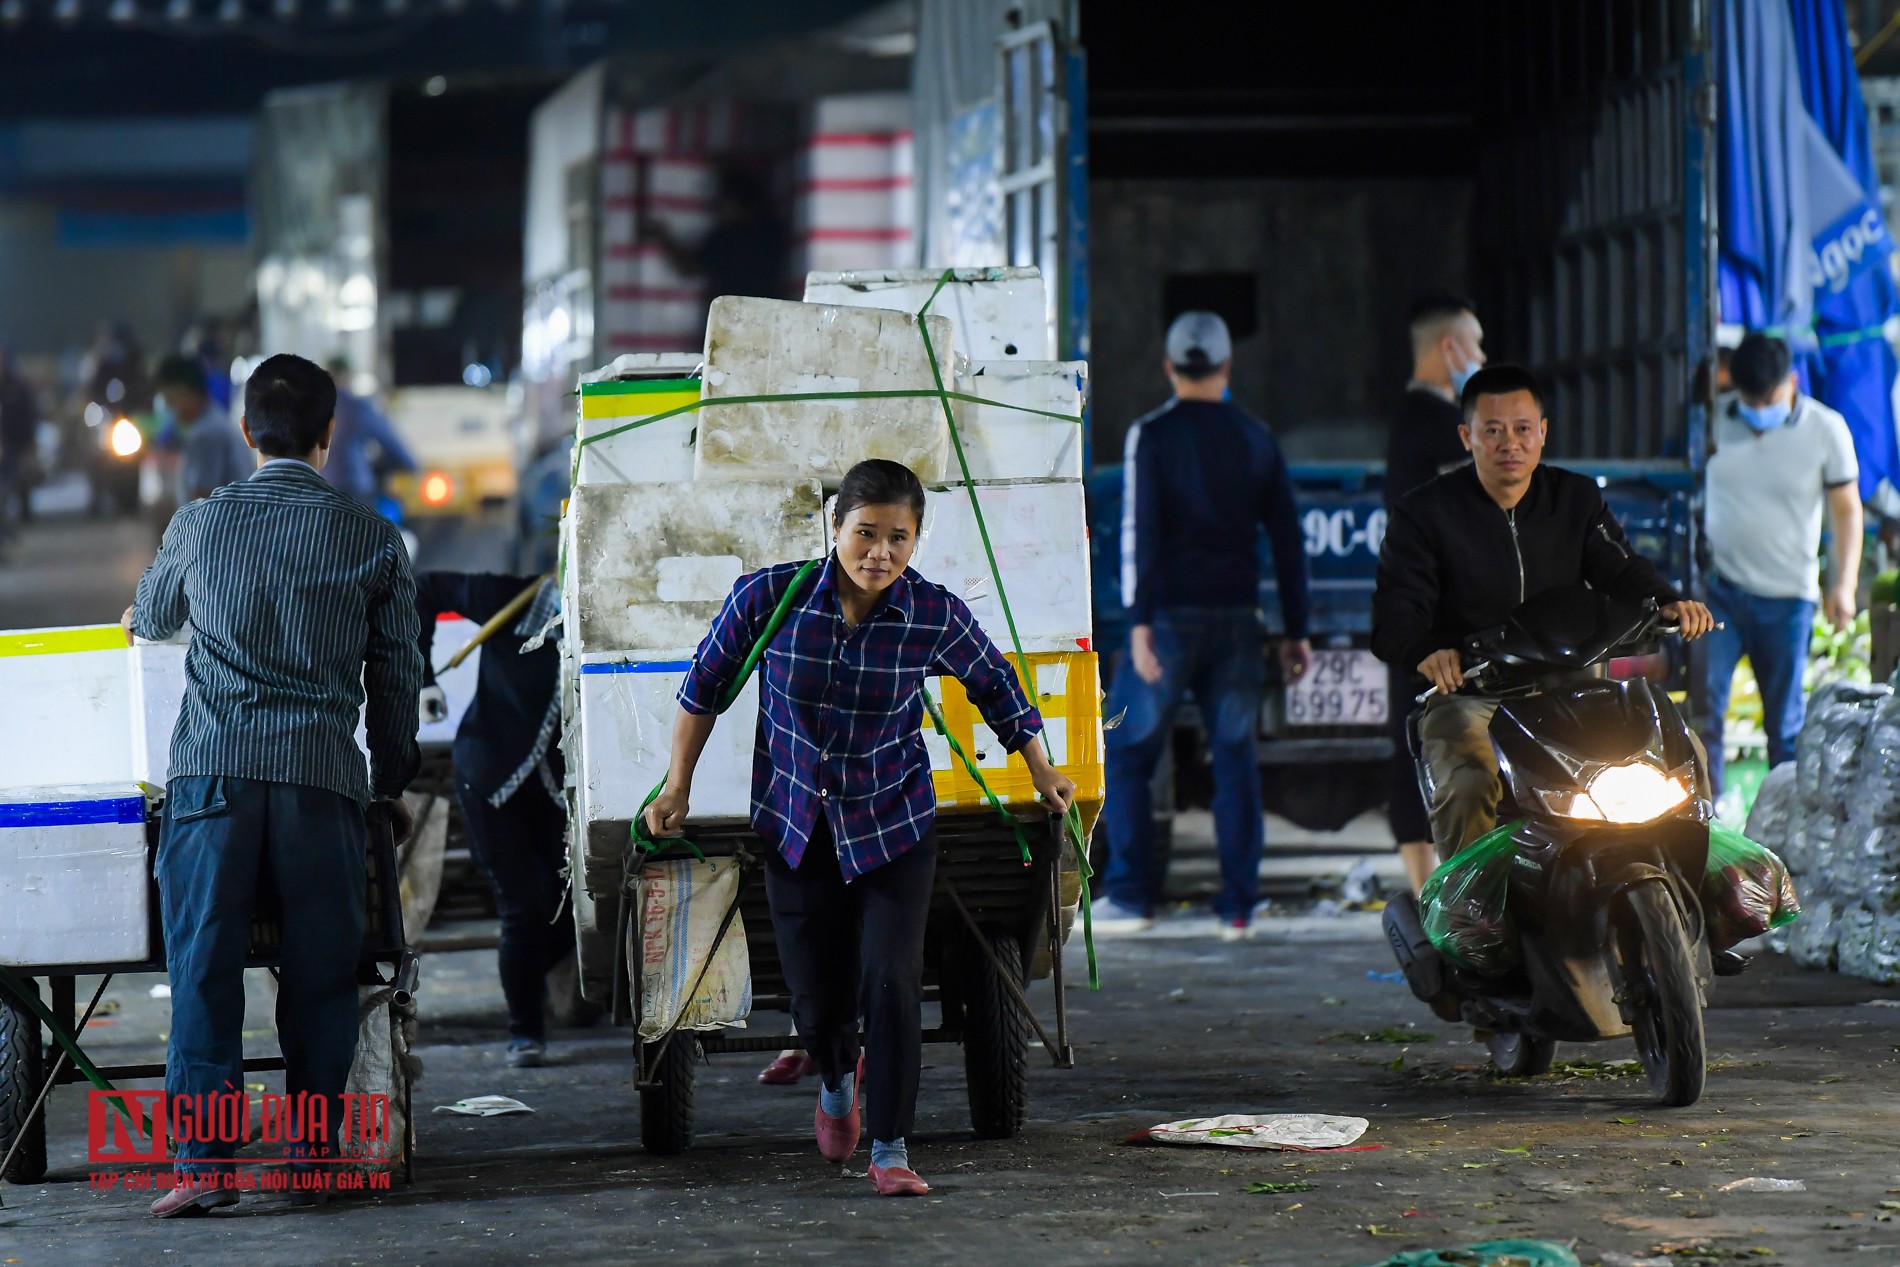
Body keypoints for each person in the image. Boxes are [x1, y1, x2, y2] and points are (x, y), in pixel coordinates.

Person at [642, 460, 1076, 1197]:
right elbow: (703, 687)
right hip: (795, 824)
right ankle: (836, 1078)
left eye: (897, 538)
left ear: (916, 540)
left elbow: (997, 685)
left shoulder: (930, 613)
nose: (879, 552)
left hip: (893, 824)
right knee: (816, 997)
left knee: (891, 981)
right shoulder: (768, 599)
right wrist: (676, 784)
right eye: (865, 533)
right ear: (834, 527)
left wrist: (1042, 769)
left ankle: (891, 1147)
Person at [128, 353, 422, 1217]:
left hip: (211, 781)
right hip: (322, 785)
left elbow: (151, 616)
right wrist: (391, 780)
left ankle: (204, 1165)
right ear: (331, 437)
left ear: (248, 434)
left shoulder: (199, 523)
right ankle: (307, 1158)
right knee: (322, 975)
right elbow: (397, 676)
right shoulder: (372, 537)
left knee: (204, 967)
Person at [1371, 365, 1714, 864]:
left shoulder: (1576, 499)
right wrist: (1426, 652)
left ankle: (1692, 902)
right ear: (1467, 437)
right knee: (1468, 784)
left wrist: (1668, 601)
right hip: (1474, 697)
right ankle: (1472, 918)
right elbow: (1395, 611)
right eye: (1492, 430)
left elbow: (1622, 567)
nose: (1509, 442)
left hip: (1574, 689)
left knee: (1685, 756)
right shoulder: (1424, 514)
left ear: (1543, 433)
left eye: (1522, 428)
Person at [1093, 310, 1313, 939]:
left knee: (1131, 751)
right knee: (1235, 759)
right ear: (1226, 367)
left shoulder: (1152, 436)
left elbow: (1141, 533)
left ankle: (1132, 898)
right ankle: (1238, 907)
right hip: (1240, 623)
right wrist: (1296, 628)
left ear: (1169, 366)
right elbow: (1289, 541)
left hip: (1166, 623)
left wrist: (1137, 624)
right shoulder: (1256, 437)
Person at [414, 572, 573, 1068]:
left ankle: (537, 991)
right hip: (489, 774)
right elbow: (425, 590)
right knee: (523, 904)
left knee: (569, 903)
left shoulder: (614, 619)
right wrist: (423, 677)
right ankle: (525, 1030)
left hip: (561, 784)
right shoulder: (520, 599)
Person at [1701, 332, 1862, 793]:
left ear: (1792, 382)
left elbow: (1847, 510)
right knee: (1705, 708)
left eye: (1766, 399)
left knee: (1785, 725)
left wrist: (1843, 584)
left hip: (1788, 599)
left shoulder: (1826, 430)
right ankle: (1707, 815)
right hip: (1719, 594)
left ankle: (1781, 824)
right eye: (1748, 399)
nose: (1757, 411)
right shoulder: (1713, 420)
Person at [1383, 293, 1487, 895]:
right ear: (1449, 348)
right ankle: (1433, 896)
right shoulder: (1429, 426)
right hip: (1431, 619)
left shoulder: (1415, 422)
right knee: (1425, 744)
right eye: (1475, 344)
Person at [154, 353, 252, 504]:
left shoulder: (205, 435)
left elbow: (200, 501)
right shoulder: (215, 420)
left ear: (186, 393)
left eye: (170, 400)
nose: (168, 408)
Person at [324, 355, 417, 507]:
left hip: (321, 489)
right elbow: (389, 440)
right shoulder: (358, 408)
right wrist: (411, 465)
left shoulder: (311, 409)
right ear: (347, 376)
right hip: (354, 486)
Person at [0, 343, 38, 533]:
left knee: (6, 493)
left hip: (12, 450)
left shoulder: (17, 389)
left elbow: (27, 419)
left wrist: (28, 445)